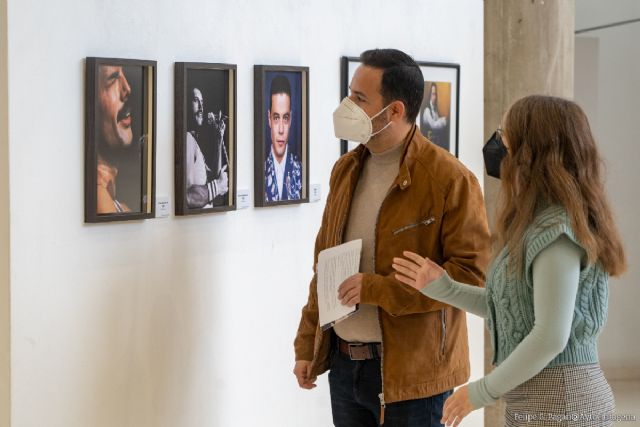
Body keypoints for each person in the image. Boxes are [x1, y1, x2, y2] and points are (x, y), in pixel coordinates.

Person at [393, 95, 626, 427]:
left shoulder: (557, 231)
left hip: (561, 400)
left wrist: (479, 393)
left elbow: (550, 337)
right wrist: (443, 288)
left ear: (532, 151)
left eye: (505, 135)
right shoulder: (538, 222)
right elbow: (514, 310)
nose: (498, 144)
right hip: (542, 396)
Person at [293, 49, 491, 427]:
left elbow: (471, 277)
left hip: (414, 380)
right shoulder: (346, 170)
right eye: (349, 94)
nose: (347, 106)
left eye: (360, 99)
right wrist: (308, 346)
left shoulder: (450, 180)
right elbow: (324, 266)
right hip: (344, 364)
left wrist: (378, 289)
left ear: (395, 111)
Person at [96, 64, 134, 213]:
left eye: (123, 75)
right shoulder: (99, 196)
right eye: (113, 77)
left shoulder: (117, 203)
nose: (127, 89)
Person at [185, 85, 229, 209]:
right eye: (195, 100)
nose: (201, 107)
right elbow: (187, 196)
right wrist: (217, 187)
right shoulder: (187, 138)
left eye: (202, 102)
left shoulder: (193, 140)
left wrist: (219, 139)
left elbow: (213, 179)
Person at [264, 75, 302, 202]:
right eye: (276, 118)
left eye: (285, 118)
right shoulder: (259, 172)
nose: (281, 129)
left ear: (290, 119)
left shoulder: (301, 171)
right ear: (269, 119)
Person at [421, 82, 449, 151]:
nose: (435, 97)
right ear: (429, 95)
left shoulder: (434, 109)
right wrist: (444, 120)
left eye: (435, 94)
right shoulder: (427, 110)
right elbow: (434, 125)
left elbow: (437, 120)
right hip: (427, 144)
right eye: (433, 94)